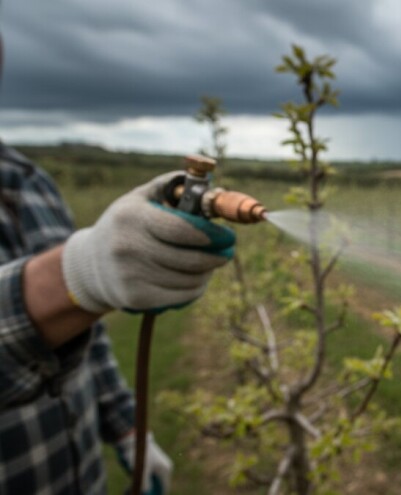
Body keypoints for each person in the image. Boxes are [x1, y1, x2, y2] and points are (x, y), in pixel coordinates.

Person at [0, 34, 235, 494]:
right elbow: (83, 287)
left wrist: (129, 428)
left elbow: (86, 334)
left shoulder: (33, 185)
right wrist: (77, 273)